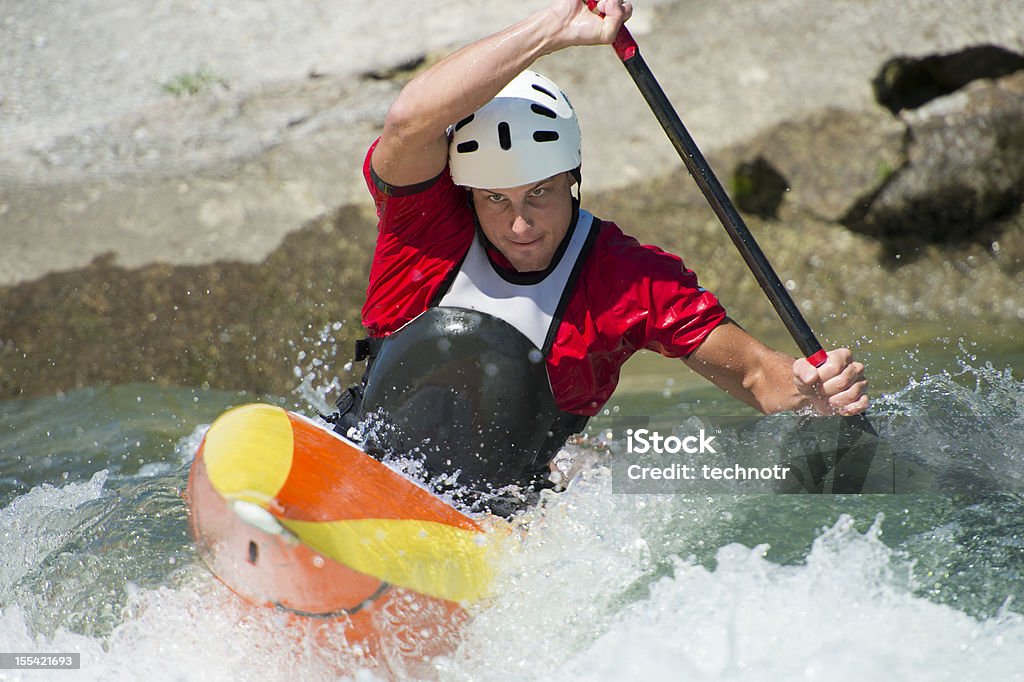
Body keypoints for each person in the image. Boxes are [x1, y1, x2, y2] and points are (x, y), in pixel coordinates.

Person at [332, 0, 868, 511]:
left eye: (539, 193)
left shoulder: (630, 280)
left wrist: (807, 389)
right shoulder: (422, 229)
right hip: (361, 463)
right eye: (496, 199)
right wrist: (553, 27)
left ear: (573, 179)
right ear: (467, 191)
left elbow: (755, 375)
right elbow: (408, 120)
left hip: (494, 520)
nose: (520, 224)